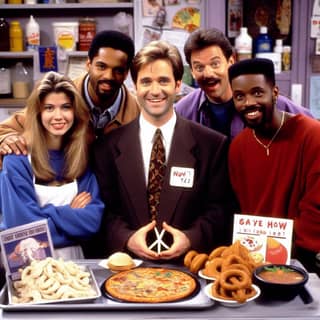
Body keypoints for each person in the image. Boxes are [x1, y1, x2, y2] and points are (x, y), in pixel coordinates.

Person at [92, 40, 233, 261]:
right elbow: (104, 211)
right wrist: (126, 238)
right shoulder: (107, 148)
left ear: (178, 85)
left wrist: (190, 238)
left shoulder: (212, 146)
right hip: (128, 267)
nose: (155, 91)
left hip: (189, 267)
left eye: (163, 81)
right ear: (135, 87)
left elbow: (220, 211)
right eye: (146, 81)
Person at [228, 58, 320, 274]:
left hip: (302, 261)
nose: (249, 102)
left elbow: (316, 210)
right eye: (240, 96)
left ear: (275, 92)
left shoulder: (312, 135)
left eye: (258, 93)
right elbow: (241, 209)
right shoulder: (237, 147)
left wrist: (283, 254)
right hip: (253, 259)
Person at [0, 71, 104, 260]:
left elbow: (92, 222)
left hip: (76, 265)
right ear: (37, 113)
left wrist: (42, 214)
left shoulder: (81, 157)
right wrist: (70, 214)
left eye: (65, 107)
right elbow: (23, 231)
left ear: (76, 112)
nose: (58, 116)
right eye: (49, 108)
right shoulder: (16, 160)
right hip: (27, 264)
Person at [0, 30, 140, 157]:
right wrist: (7, 138)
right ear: (88, 64)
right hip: (65, 180)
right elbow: (4, 129)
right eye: (101, 66)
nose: (108, 76)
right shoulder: (62, 95)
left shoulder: (138, 111)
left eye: (118, 70)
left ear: (126, 73)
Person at [175, 28, 313, 140]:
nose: (208, 73)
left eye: (215, 64)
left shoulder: (270, 103)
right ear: (192, 71)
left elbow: (312, 128)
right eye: (199, 67)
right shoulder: (183, 111)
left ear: (230, 62)